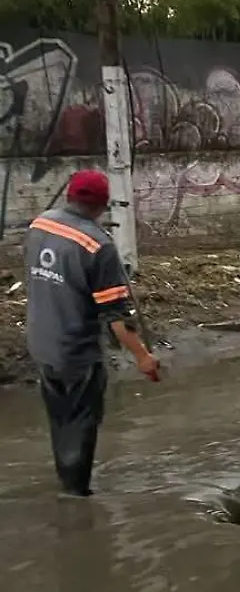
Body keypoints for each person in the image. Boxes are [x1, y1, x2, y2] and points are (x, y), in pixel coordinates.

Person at [24, 169, 160, 497]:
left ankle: (65, 479)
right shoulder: (98, 245)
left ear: (69, 195)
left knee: (60, 418)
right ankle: (75, 496)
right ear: (102, 205)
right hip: (76, 351)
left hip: (41, 343)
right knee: (82, 422)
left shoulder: (39, 224)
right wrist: (143, 357)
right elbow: (115, 318)